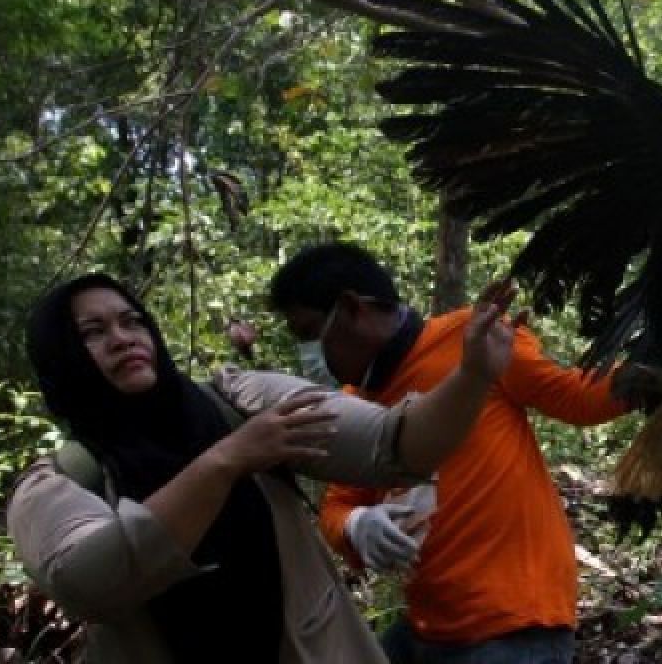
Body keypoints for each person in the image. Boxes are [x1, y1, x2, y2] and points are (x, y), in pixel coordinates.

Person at [7, 272, 520, 663]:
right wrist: (227, 462)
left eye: (131, 320)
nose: (122, 338)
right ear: (62, 357)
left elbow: (395, 445)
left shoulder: (237, 401)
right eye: (93, 333)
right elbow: (90, 579)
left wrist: (471, 377)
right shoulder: (57, 483)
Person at [268, 242, 634, 664]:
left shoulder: (473, 338)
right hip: (428, 626)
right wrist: (356, 525)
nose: (307, 354)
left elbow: (576, 398)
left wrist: (655, 372)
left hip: (515, 623)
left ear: (353, 309)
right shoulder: (354, 403)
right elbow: (337, 505)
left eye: (308, 333)